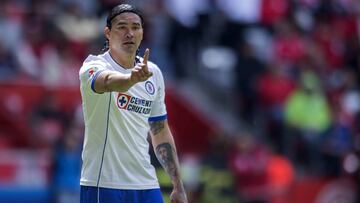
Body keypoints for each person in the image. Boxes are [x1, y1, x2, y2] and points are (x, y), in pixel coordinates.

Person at [78, 4, 188, 203]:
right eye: (122, 27)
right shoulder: (93, 66)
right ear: (107, 33)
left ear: (142, 32)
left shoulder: (153, 73)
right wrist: (131, 80)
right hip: (104, 184)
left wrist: (178, 185)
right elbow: (107, 82)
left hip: (146, 184)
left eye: (135, 27)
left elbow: (160, 130)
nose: (129, 33)